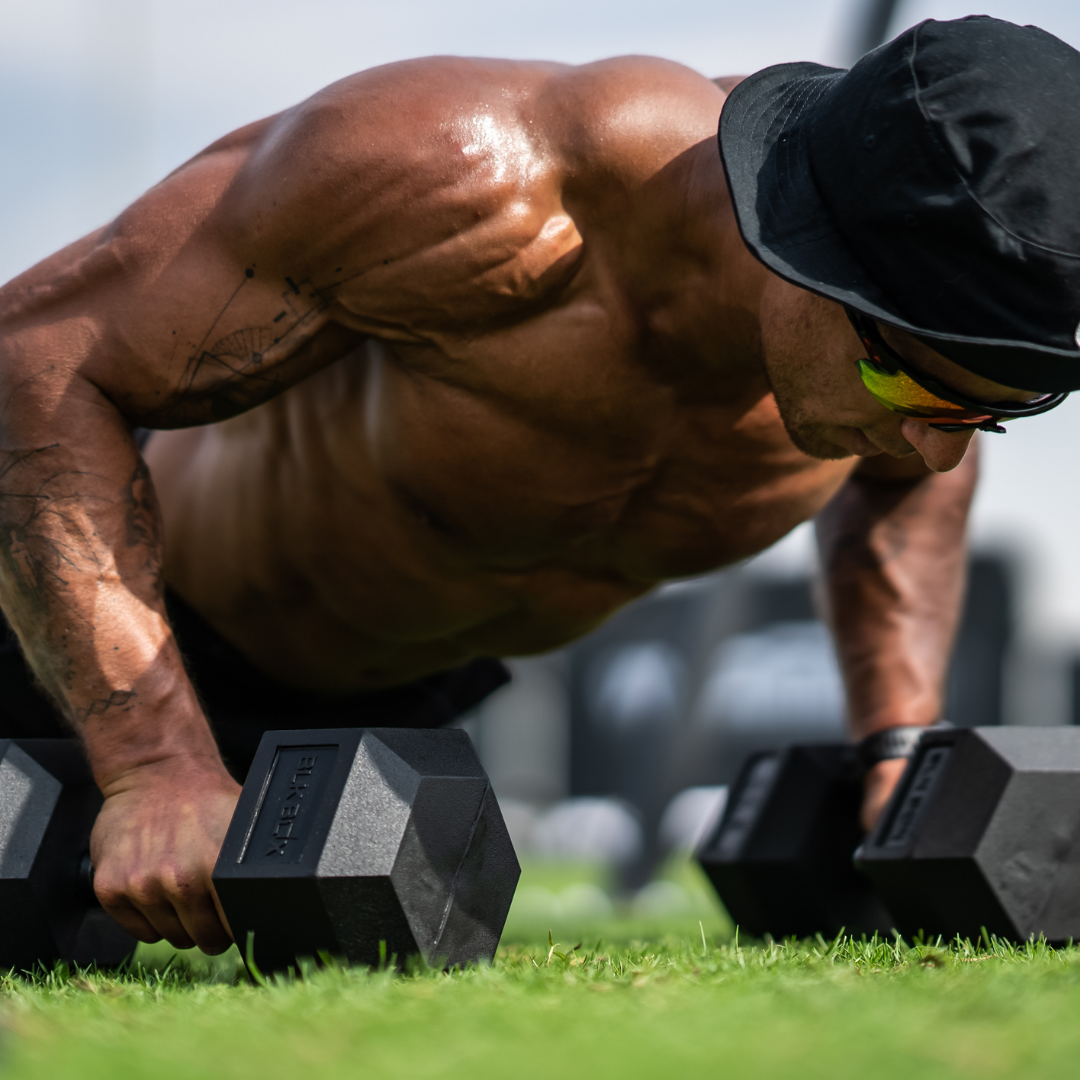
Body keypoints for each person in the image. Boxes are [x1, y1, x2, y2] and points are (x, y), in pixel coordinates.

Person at [0, 14, 1076, 955]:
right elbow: (36, 360)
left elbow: (910, 480)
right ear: (808, 249)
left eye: (988, 415)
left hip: (390, 722)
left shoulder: (898, 360)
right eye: (913, 386)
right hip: (93, 644)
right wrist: (152, 764)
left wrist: (897, 747)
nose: (938, 450)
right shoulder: (465, 179)